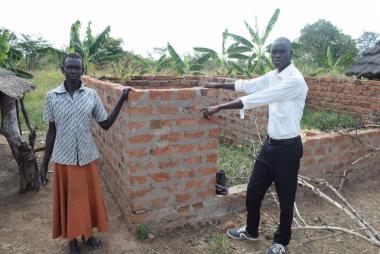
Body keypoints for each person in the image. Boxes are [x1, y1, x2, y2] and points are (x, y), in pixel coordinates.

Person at [201, 37, 308, 254]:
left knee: (286, 199)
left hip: (288, 149)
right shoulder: (275, 75)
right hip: (270, 146)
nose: (276, 55)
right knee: (253, 192)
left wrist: (219, 107)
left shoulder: (294, 80)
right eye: (273, 52)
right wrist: (218, 84)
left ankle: (281, 243)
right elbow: (250, 85)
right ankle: (251, 231)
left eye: (281, 52)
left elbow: (258, 97)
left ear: (291, 53)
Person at [39, 53, 135, 254]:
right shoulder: (52, 96)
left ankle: (88, 235)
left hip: (87, 156)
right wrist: (43, 165)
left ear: (83, 71)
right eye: (69, 67)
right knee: (70, 201)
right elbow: (51, 131)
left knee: (87, 199)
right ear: (62, 69)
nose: (73, 71)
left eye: (77, 68)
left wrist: (121, 99)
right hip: (64, 158)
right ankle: (72, 239)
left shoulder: (91, 95)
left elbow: (105, 124)